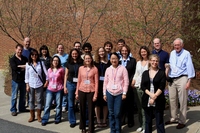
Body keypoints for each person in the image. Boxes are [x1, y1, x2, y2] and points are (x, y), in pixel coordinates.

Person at [165, 38, 195, 129]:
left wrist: (189, 81)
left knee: (182, 100)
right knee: (172, 99)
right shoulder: (172, 53)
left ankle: (182, 121)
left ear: (182, 45)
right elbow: (171, 65)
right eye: (175, 45)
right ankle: (173, 118)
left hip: (182, 78)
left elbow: (189, 66)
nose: (176, 47)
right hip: (172, 79)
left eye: (178, 45)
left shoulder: (186, 53)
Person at [103, 52, 129, 133]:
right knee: (111, 113)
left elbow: (126, 81)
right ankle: (112, 130)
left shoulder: (123, 68)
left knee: (117, 113)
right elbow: (105, 82)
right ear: (110, 60)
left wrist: (124, 93)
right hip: (109, 93)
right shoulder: (108, 69)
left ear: (118, 59)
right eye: (112, 59)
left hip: (119, 94)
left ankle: (118, 129)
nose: (114, 60)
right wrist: (104, 93)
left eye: (115, 59)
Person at [141, 54, 166, 133]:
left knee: (159, 121)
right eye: (153, 60)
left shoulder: (161, 73)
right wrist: (150, 95)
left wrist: (154, 97)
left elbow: (162, 86)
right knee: (148, 121)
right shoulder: (145, 73)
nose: (155, 62)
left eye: (156, 61)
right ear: (150, 61)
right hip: (147, 99)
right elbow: (143, 86)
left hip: (158, 99)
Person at [75, 53, 98, 133]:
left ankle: (91, 128)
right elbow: (79, 80)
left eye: (89, 58)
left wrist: (95, 94)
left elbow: (96, 82)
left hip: (91, 91)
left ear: (91, 59)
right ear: (84, 60)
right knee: (82, 109)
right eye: (86, 58)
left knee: (91, 110)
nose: (87, 60)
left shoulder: (95, 69)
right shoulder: (81, 68)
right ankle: (83, 127)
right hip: (82, 90)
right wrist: (77, 92)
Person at [25, 49, 48, 123]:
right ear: (30, 56)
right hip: (31, 84)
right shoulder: (28, 64)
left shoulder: (41, 63)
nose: (34, 56)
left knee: (39, 100)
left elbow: (46, 73)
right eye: (33, 55)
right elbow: (27, 76)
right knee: (31, 100)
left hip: (39, 84)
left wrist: (46, 82)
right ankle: (32, 116)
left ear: (37, 56)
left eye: (36, 55)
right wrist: (27, 85)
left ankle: (38, 115)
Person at [131, 46, 150, 133]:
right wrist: (133, 81)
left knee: (145, 107)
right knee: (139, 107)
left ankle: (146, 126)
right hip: (138, 86)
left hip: (146, 87)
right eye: (142, 52)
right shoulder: (138, 63)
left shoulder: (150, 62)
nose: (143, 53)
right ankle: (141, 125)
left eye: (145, 51)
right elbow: (136, 74)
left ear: (147, 52)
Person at [41, 56, 65, 126]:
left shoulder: (61, 69)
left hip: (59, 89)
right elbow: (47, 79)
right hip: (50, 89)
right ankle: (45, 119)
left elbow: (63, 79)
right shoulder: (49, 70)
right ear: (52, 61)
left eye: (57, 60)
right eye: (54, 60)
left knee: (58, 105)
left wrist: (64, 87)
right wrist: (45, 84)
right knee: (47, 105)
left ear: (59, 62)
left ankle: (57, 118)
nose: (55, 62)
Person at [64, 48, 83, 128]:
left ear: (78, 54)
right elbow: (66, 75)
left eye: (76, 54)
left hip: (80, 84)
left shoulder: (81, 63)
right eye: (73, 54)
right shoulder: (68, 63)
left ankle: (83, 120)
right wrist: (65, 86)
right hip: (70, 84)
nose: (74, 55)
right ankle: (72, 120)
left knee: (81, 103)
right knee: (71, 104)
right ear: (71, 55)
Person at [120, 45, 136, 128]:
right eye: (122, 50)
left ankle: (130, 121)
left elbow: (134, 72)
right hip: (119, 86)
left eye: (126, 50)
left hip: (129, 85)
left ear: (128, 51)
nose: (124, 52)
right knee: (121, 104)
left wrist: (130, 81)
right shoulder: (118, 61)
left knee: (129, 104)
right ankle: (122, 120)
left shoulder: (133, 61)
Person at [9, 44, 28, 116]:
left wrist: (20, 66)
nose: (20, 51)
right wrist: (23, 67)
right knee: (14, 96)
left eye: (21, 50)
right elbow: (15, 68)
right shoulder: (12, 59)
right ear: (15, 49)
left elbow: (28, 66)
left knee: (23, 96)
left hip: (23, 80)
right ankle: (13, 110)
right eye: (18, 49)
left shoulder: (24, 58)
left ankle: (22, 108)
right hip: (16, 80)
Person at [94, 47, 110, 128]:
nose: (101, 53)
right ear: (98, 53)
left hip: (106, 85)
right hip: (97, 85)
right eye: (100, 51)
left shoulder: (108, 62)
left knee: (105, 103)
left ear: (105, 52)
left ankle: (104, 119)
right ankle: (98, 120)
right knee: (97, 104)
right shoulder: (95, 63)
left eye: (103, 51)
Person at [54, 44, 69, 112]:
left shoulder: (67, 56)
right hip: (56, 75)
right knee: (56, 90)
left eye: (62, 48)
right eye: (59, 48)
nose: (60, 49)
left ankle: (64, 105)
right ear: (57, 48)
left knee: (64, 89)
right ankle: (57, 105)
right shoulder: (55, 56)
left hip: (64, 74)